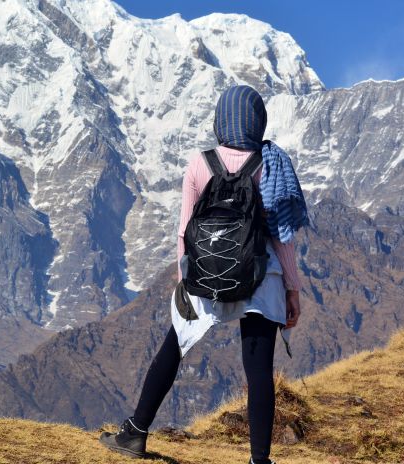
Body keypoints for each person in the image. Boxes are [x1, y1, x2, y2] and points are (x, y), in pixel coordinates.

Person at [99, 85, 308, 464]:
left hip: (205, 271)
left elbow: (185, 230)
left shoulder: (200, 163)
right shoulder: (271, 164)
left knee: (173, 347)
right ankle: (259, 460)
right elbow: (283, 237)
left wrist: (186, 280)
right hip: (260, 276)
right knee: (258, 369)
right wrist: (292, 289)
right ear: (257, 121)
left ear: (220, 119)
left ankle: (136, 433)